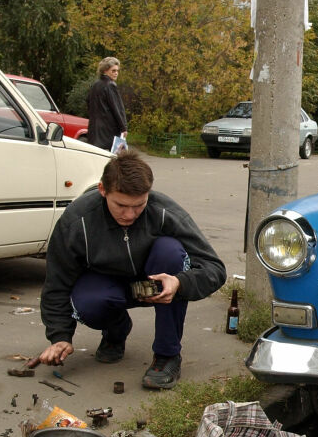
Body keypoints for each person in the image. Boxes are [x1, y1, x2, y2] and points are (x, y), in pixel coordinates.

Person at [35, 151, 226, 389]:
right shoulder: (77, 220)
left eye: (138, 205)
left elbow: (215, 269)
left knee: (170, 252)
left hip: (156, 283)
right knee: (86, 300)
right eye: (121, 205)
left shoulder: (165, 211)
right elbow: (57, 282)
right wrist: (60, 336)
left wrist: (180, 283)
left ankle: (167, 356)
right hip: (107, 286)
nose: (129, 214)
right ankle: (116, 331)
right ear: (102, 190)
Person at [87, 57, 128, 150]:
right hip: (108, 131)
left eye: (117, 71)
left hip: (94, 129)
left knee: (96, 157)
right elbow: (117, 109)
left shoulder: (95, 85)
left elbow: (89, 104)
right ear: (105, 70)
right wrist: (123, 127)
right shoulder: (110, 85)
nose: (116, 73)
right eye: (113, 70)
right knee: (112, 159)